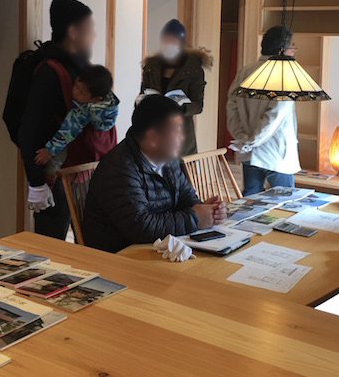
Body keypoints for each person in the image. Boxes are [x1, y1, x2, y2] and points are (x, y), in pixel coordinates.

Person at [19, 0, 114, 240]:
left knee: (84, 236)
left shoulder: (81, 67)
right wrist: (36, 183)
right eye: (90, 28)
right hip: (56, 175)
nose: (94, 35)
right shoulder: (50, 72)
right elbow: (30, 129)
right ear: (73, 32)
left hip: (80, 171)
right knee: (51, 242)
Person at [83, 95, 227, 253]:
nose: (182, 137)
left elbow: (185, 195)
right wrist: (195, 218)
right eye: (176, 132)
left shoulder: (166, 157)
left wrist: (206, 210)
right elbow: (141, 227)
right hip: (118, 255)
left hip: (156, 246)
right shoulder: (119, 168)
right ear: (152, 138)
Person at [226, 26, 300, 196]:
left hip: (249, 151)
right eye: (292, 47)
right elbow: (274, 116)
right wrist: (253, 140)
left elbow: (231, 106)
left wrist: (242, 137)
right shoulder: (284, 74)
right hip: (274, 152)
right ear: (281, 51)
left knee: (250, 202)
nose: (293, 51)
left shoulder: (245, 71)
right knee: (286, 202)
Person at [141, 19, 211, 157]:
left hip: (180, 133)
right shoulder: (152, 66)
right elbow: (144, 93)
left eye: (173, 41)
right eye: (165, 41)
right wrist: (142, 103)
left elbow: (198, 105)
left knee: (179, 168)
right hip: (155, 129)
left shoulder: (193, 68)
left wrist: (181, 108)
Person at [34, 64, 119, 173]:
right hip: (107, 143)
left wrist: (49, 151)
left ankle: (50, 178)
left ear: (96, 99)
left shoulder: (84, 110)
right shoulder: (110, 101)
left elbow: (68, 131)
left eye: (81, 92)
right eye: (75, 86)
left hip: (89, 145)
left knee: (56, 162)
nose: (74, 92)